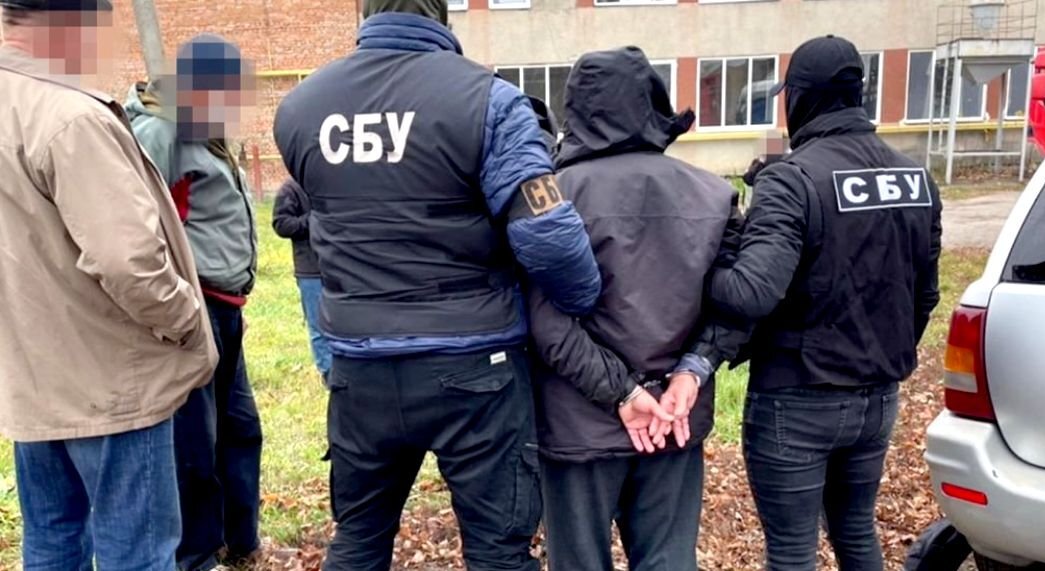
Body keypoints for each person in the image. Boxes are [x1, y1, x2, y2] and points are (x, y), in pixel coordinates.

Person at [272, 0, 601, 568]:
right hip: (474, 365)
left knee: (358, 539)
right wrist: (582, 298)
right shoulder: (489, 101)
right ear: (441, 16)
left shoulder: (301, 108)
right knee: (498, 553)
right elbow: (546, 232)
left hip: (360, 368)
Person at [707, 35, 943, 570]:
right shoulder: (916, 178)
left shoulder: (792, 180)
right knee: (856, 532)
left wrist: (707, 261)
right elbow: (925, 295)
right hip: (877, 398)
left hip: (797, 398)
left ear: (801, 98)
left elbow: (750, 292)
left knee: (793, 553)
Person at [0, 0, 218, 568]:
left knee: (52, 539)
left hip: (31, 374)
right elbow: (128, 260)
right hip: (111, 380)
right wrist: (186, 321)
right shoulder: (72, 117)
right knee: (138, 552)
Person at [527, 46, 748, 571]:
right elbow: (737, 303)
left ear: (576, 108)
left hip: (578, 426)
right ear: (652, 102)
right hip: (674, 416)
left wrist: (624, 393)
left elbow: (544, 321)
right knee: (668, 561)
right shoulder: (713, 194)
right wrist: (691, 373)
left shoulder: (546, 198)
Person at [125, 34, 263, 571]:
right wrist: (175, 299)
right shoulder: (161, 130)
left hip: (228, 308)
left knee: (240, 429)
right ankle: (196, 555)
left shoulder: (209, 133)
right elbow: (134, 221)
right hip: (193, 306)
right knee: (194, 444)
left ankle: (240, 542)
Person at [272, 176, 332, 385]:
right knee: (318, 325)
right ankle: (328, 372)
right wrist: (313, 221)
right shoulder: (291, 188)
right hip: (310, 271)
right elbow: (281, 224)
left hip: (339, 267)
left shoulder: (331, 184)